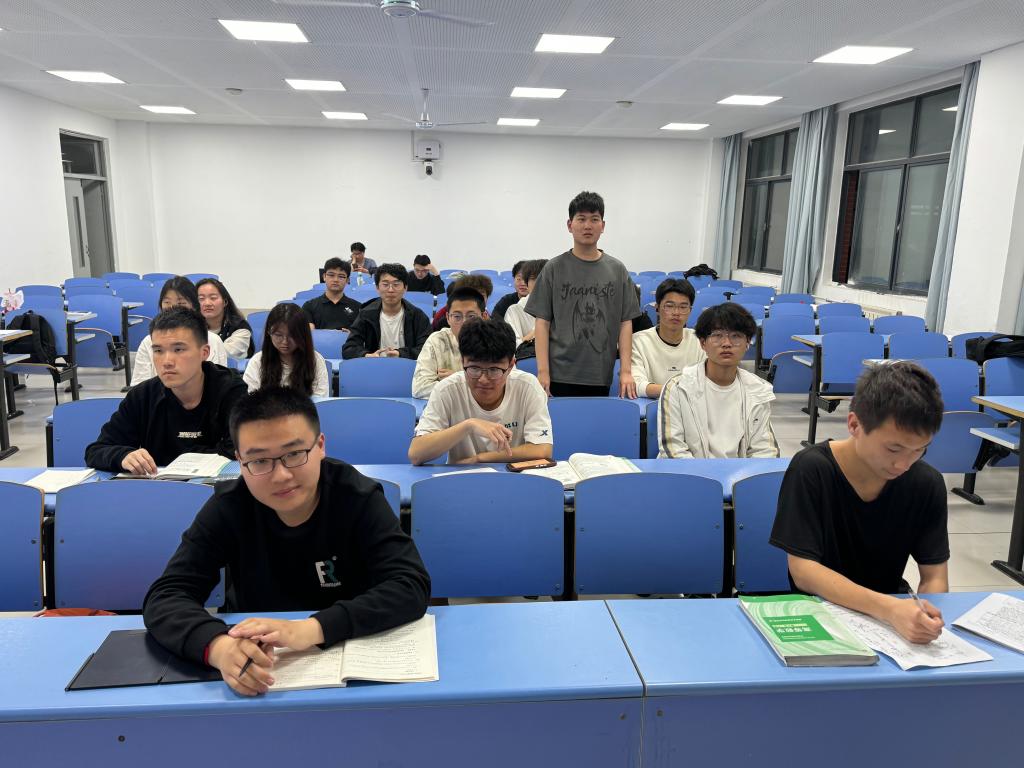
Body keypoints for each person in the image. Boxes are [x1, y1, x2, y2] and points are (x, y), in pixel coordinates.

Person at [143, 386, 430, 696]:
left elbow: (409, 584)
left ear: (320, 446)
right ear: (239, 461)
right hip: (262, 669)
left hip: (353, 661)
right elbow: (167, 595)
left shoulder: (356, 496)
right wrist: (218, 647)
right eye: (259, 461)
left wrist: (311, 629)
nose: (280, 476)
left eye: (294, 454)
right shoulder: (229, 507)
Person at [769, 362, 949, 645]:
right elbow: (804, 572)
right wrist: (889, 609)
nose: (903, 464)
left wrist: (927, 618)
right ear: (854, 424)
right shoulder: (812, 469)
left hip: (890, 622)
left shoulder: (926, 483)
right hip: (819, 611)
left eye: (919, 450)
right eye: (893, 448)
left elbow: (934, 575)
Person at [86, 307, 247, 474]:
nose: (167, 361)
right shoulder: (142, 396)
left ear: (204, 353)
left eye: (178, 349)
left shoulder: (232, 392)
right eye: (158, 351)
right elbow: (96, 451)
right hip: (160, 486)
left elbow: (241, 451)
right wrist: (123, 456)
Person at [526, 191, 640, 398]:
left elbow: (625, 323)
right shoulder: (554, 268)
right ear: (570, 225)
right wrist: (543, 372)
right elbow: (542, 323)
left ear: (603, 226)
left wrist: (625, 371)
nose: (588, 225)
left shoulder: (617, 270)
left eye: (594, 219)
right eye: (581, 219)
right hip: (559, 373)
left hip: (600, 372)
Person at [409, 319, 553, 466]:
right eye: (474, 369)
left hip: (512, 476)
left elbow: (542, 450)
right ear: (462, 362)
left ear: (510, 365)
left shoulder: (527, 387)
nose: (483, 379)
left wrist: (481, 458)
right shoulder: (447, 389)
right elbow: (416, 454)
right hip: (461, 476)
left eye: (494, 370)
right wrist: (468, 426)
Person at [657, 303, 778, 459]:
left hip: (740, 472)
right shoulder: (678, 388)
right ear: (703, 343)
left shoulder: (757, 390)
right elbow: (674, 450)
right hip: (691, 471)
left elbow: (765, 450)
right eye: (717, 335)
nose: (726, 343)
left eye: (736, 336)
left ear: (748, 343)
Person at [131, 277, 229, 387]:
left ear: (195, 306)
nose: (173, 308)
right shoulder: (148, 341)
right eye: (167, 302)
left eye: (181, 303)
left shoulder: (213, 340)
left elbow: (219, 384)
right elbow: (139, 386)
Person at [631, 278, 704, 398]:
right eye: (669, 306)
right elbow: (636, 385)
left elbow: (707, 383)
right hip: (652, 404)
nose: (676, 313)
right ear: (657, 308)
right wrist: (679, 391)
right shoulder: (638, 341)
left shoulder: (699, 341)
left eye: (683, 307)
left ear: (690, 311)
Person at [342, 263, 431, 359]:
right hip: (375, 365)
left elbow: (427, 350)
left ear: (405, 288)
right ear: (377, 288)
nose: (391, 290)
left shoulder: (418, 316)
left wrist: (400, 354)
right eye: (385, 284)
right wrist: (367, 355)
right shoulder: (366, 314)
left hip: (407, 366)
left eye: (396, 284)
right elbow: (349, 348)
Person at [411, 287, 486, 398]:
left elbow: (501, 385)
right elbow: (419, 388)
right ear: (447, 318)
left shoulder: (495, 341)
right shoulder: (437, 340)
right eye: (457, 317)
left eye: (471, 316)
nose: (464, 323)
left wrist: (456, 379)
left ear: (484, 317)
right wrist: (468, 384)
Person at [244, 303, 329, 397]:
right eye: (278, 335)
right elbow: (251, 399)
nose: (285, 342)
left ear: (302, 334)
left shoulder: (315, 360)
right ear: (269, 332)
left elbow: (320, 398)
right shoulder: (257, 361)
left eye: (292, 335)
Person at [196, 278, 254, 359]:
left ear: (225, 302)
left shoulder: (240, 327)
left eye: (213, 298)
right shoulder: (192, 326)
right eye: (201, 299)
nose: (207, 303)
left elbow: (223, 355)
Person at [302, 258, 362, 331]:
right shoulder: (309, 306)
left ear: (347, 280)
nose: (335, 280)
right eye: (331, 275)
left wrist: (352, 335)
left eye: (341, 276)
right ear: (324, 277)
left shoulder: (358, 308)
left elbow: (362, 333)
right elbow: (308, 333)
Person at [504, 258, 547, 347]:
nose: (538, 283)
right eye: (533, 279)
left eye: (543, 278)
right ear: (527, 283)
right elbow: (513, 347)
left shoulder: (563, 309)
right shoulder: (515, 310)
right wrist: (538, 331)